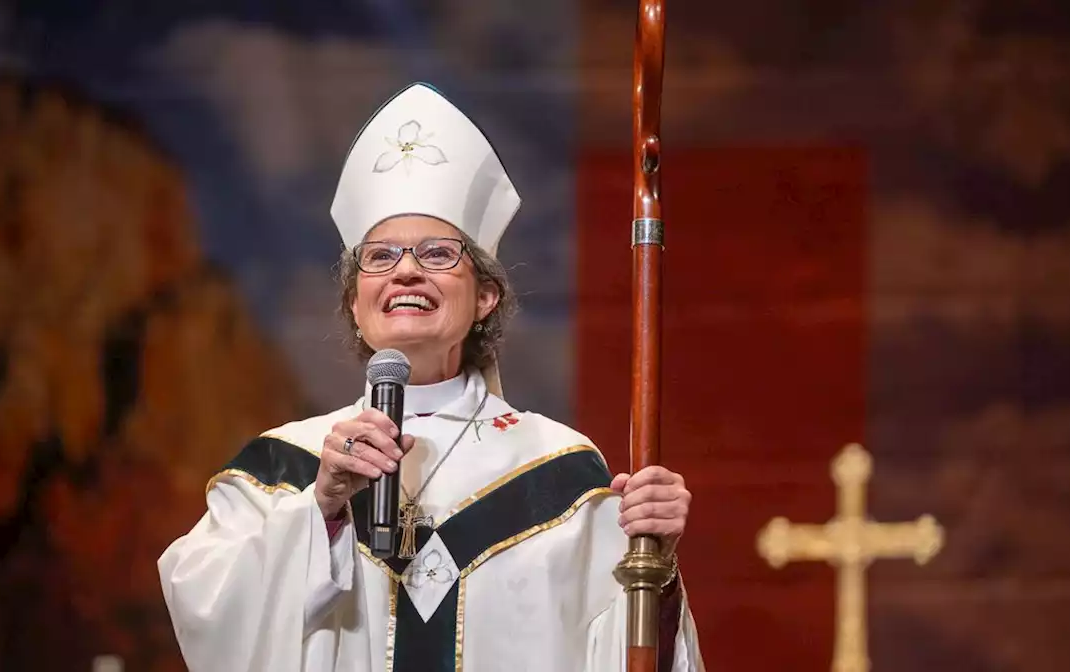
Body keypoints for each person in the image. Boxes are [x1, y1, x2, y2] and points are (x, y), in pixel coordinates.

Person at [157, 83, 705, 671]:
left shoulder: (560, 473)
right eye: (381, 257)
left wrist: (656, 565)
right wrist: (322, 510)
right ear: (355, 304)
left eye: (440, 254)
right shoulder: (284, 468)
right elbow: (207, 609)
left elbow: (623, 649)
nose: (408, 272)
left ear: (486, 297)